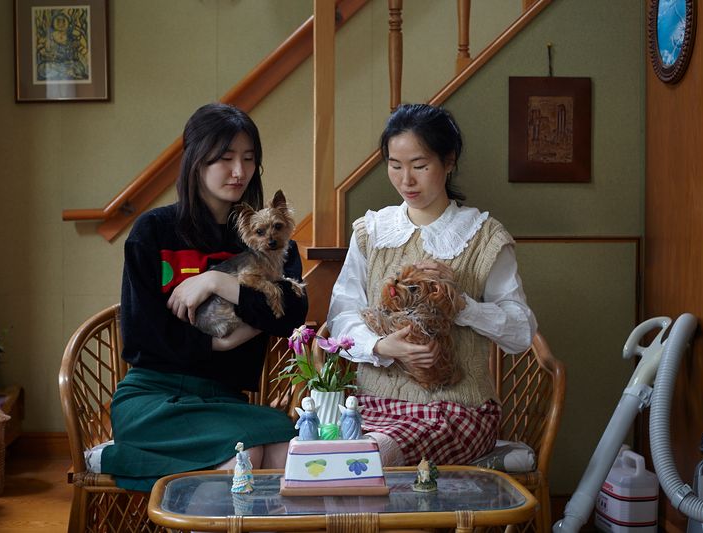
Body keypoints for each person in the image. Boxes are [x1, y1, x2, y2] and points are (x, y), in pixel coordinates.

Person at [101, 102, 308, 491]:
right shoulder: (154, 230)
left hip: (225, 400)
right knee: (242, 456)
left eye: (249, 159)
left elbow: (292, 314)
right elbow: (145, 334)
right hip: (154, 398)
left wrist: (216, 281)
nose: (239, 171)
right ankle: (124, 452)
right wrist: (225, 339)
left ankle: (130, 460)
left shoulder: (270, 236)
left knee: (286, 450)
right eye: (225, 158)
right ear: (196, 161)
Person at [326, 103, 536, 467]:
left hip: (454, 410)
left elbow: (520, 333)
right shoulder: (372, 232)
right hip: (369, 403)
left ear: (449, 161)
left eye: (420, 166)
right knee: (316, 454)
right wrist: (382, 345)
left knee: (363, 459)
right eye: (395, 165)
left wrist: (462, 304)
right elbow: (343, 313)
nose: (406, 180)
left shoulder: (484, 237)